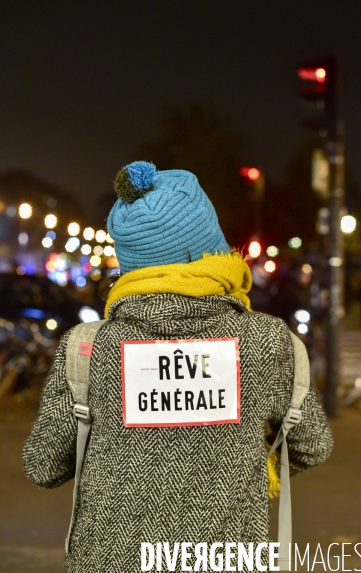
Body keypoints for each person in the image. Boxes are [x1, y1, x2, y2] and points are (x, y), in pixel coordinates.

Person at [23, 161, 333, 572]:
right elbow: (312, 445)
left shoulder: (88, 349)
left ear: (130, 261)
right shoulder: (266, 341)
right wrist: (238, 468)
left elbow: (43, 465)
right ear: (212, 246)